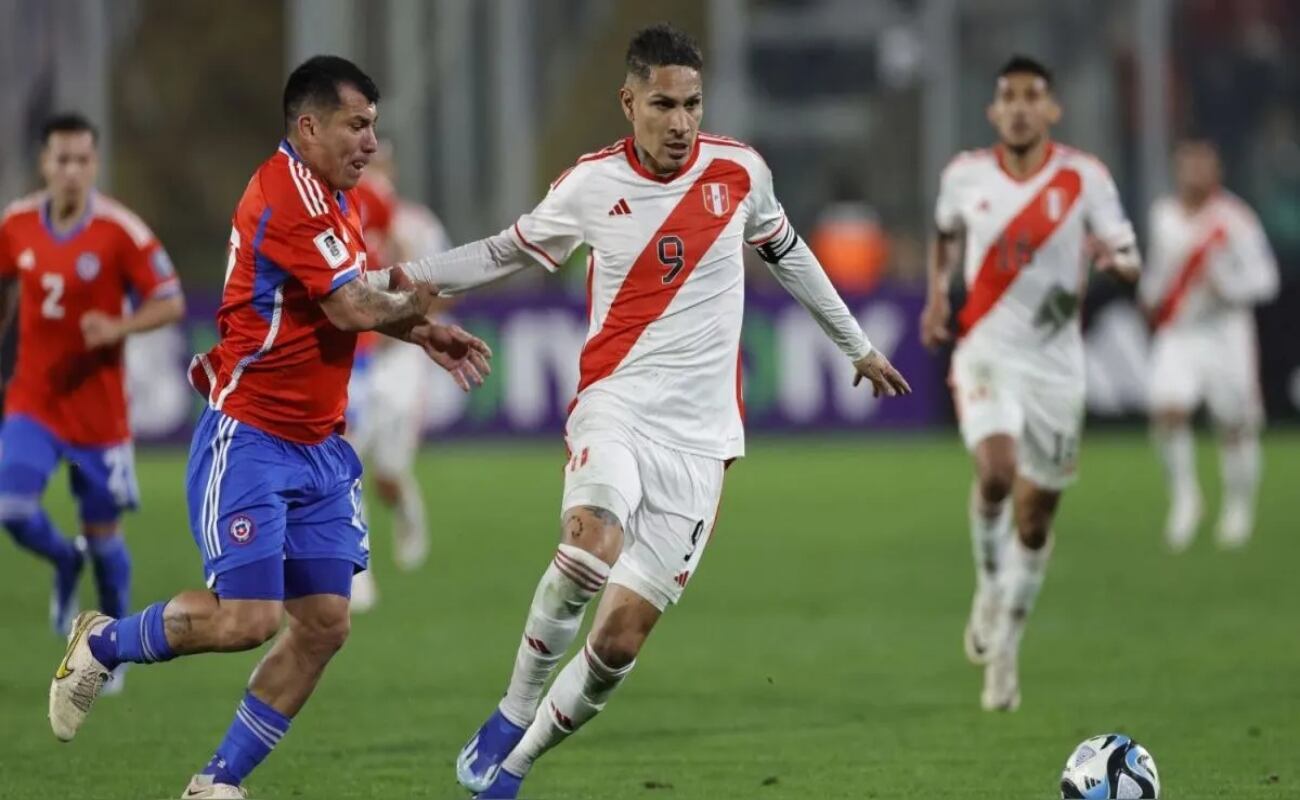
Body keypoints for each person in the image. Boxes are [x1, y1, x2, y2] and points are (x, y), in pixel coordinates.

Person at [398, 23, 911, 799]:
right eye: (664, 104)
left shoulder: (740, 173)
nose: (680, 122)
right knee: (587, 549)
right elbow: (506, 251)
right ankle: (511, 712)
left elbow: (791, 253)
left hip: (702, 441)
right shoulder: (590, 185)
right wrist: (403, 274)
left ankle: (516, 766)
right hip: (616, 407)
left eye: (693, 104)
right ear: (629, 101)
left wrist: (857, 346)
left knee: (617, 645)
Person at [46, 55, 491, 800]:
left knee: (323, 623)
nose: (370, 143)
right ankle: (102, 642)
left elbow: (344, 299)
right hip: (251, 436)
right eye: (357, 125)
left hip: (320, 445)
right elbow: (352, 309)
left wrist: (422, 334)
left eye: (374, 127)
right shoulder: (288, 195)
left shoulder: (336, 199)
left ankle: (217, 783)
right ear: (309, 126)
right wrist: (426, 309)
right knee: (247, 620)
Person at [919, 56, 1140, 711]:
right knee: (995, 470)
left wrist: (1111, 260)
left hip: (1055, 368)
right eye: (1007, 96)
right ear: (993, 112)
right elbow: (944, 234)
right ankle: (988, 583)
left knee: (1036, 520)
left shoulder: (1084, 178)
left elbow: (1129, 259)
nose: (1018, 106)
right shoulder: (964, 174)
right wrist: (937, 296)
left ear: (1051, 111)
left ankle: (1008, 650)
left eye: (1031, 96)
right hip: (986, 350)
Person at [0, 114, 185, 669]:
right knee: (10, 507)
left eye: (82, 159)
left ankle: (110, 653)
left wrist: (118, 327)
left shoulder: (121, 232)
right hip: (33, 399)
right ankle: (63, 562)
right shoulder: (16, 225)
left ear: (95, 164)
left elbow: (170, 301)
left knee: (105, 538)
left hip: (98, 412)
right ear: (44, 164)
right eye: (62, 159)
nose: (72, 170)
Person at [1141, 140, 1278, 551]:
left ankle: (1238, 506)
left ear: (1216, 170)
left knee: (1234, 425)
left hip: (1226, 334)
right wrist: (1148, 295)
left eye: (1202, 166)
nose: (1194, 174)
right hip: (1179, 333)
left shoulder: (1235, 219)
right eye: (1186, 166)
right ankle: (1186, 500)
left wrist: (1230, 287)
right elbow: (1159, 271)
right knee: (1166, 410)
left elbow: (1266, 280)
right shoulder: (1162, 215)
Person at [346, 144, 452, 610]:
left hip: (402, 359)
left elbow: (442, 288)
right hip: (360, 358)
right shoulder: (343, 213)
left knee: (386, 472)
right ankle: (356, 573)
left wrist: (404, 324)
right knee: (346, 457)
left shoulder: (417, 223)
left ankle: (406, 507)